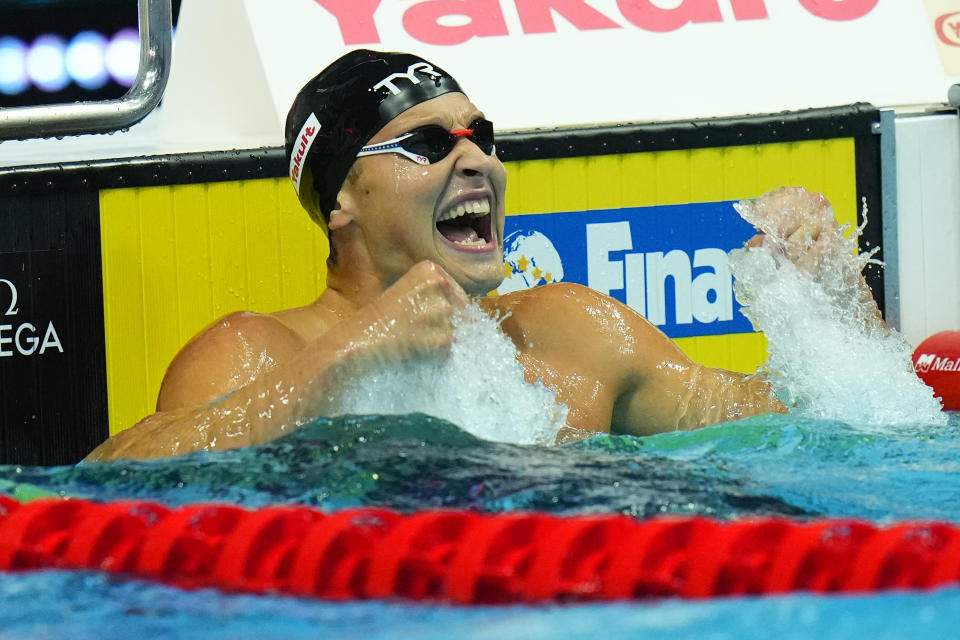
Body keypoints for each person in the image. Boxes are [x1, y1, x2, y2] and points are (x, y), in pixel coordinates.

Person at [85, 50, 875, 462]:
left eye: (482, 139)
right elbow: (112, 484)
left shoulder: (569, 332)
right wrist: (343, 363)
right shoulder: (258, 352)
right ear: (341, 202)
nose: (478, 164)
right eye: (428, 144)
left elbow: (832, 430)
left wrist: (838, 310)